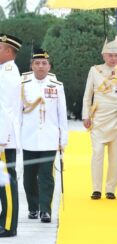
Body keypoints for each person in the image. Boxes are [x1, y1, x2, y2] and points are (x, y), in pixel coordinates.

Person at [82, 36, 117, 200]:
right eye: (110, 55)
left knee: (115, 155)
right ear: (103, 55)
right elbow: (87, 95)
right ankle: (96, 188)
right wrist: (86, 115)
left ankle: (110, 188)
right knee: (97, 153)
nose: (114, 59)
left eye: (116, 55)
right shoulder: (94, 70)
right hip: (99, 118)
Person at [21, 49, 68, 223]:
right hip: (29, 137)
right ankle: (33, 207)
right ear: (32, 65)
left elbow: (62, 114)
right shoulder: (23, 85)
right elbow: (18, 113)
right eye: (37, 63)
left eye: (44, 63)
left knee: (46, 175)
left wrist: (63, 139)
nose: (41, 66)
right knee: (29, 176)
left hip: (49, 137)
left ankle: (45, 210)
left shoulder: (57, 86)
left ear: (49, 66)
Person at [0, 33, 22, 237]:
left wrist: (2, 139)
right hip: (3, 137)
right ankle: (4, 220)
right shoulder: (4, 71)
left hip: (3, 139)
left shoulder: (8, 73)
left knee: (6, 180)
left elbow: (6, 109)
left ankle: (8, 225)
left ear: (8, 51)